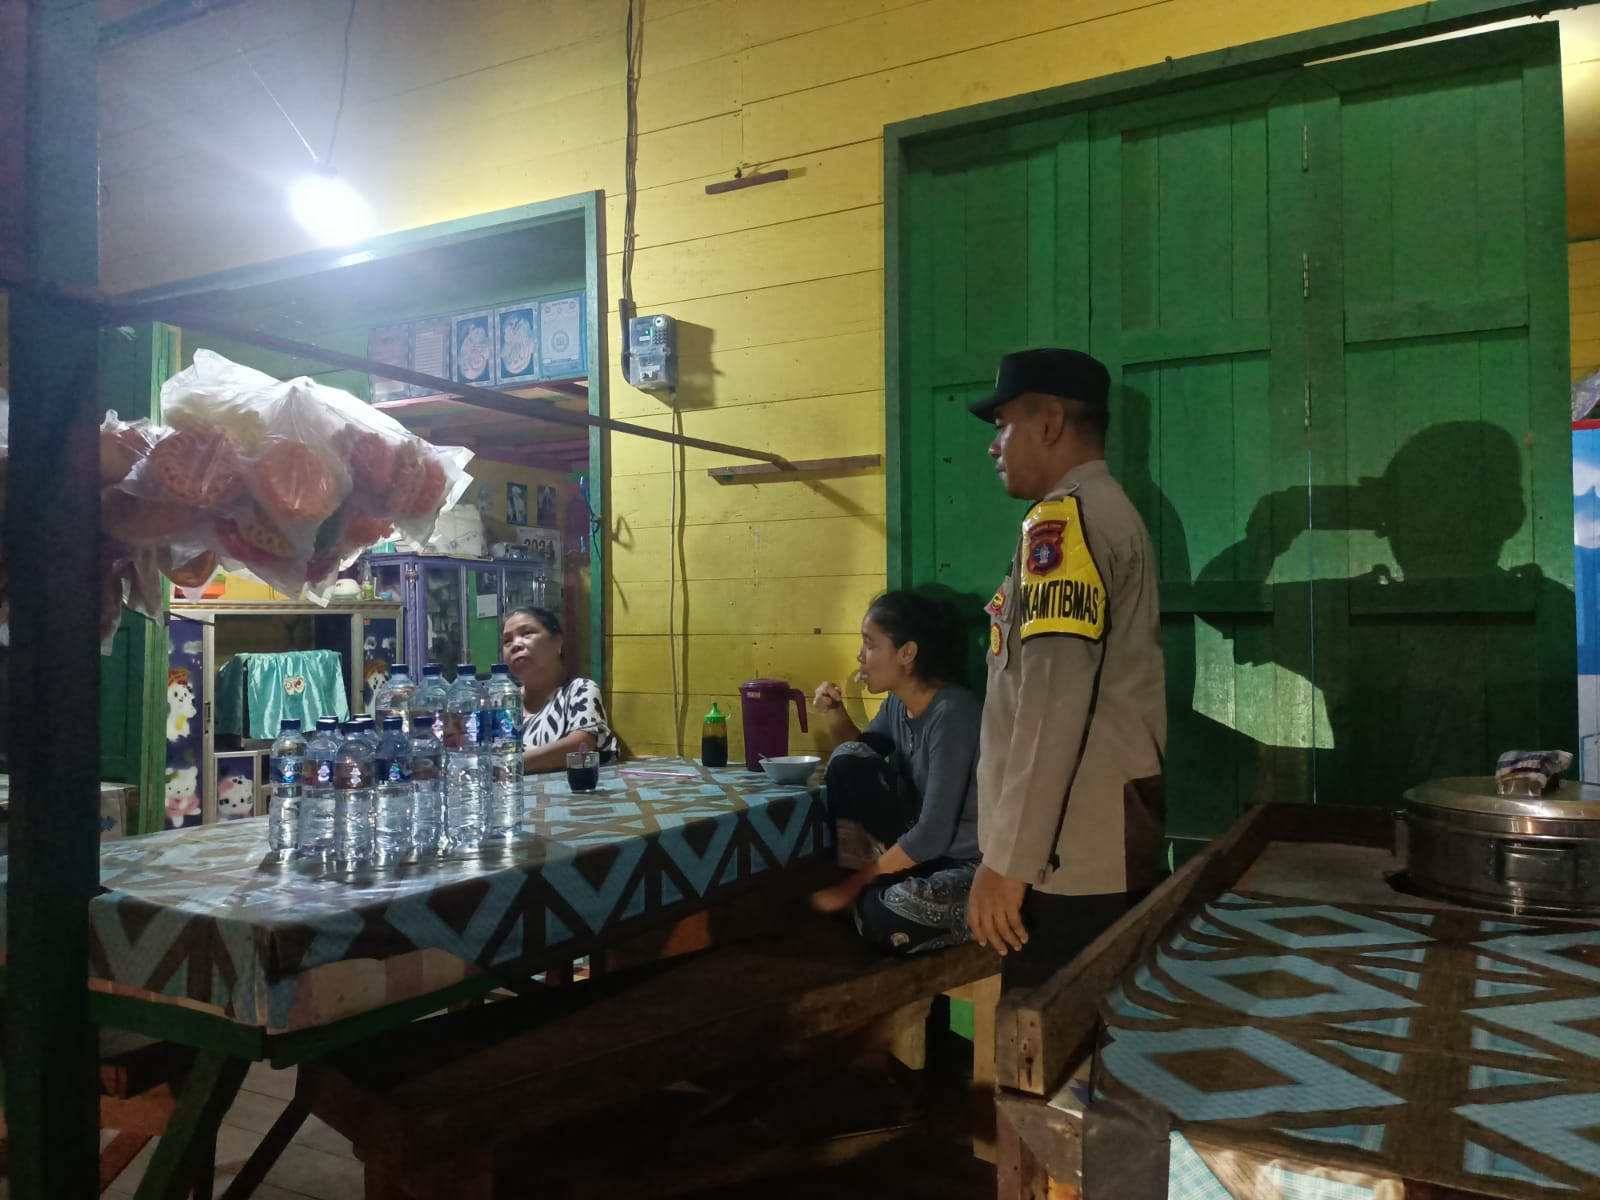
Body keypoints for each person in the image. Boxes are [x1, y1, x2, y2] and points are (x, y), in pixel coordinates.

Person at [968, 348, 1167, 992]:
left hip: (1066, 860)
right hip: (1095, 844)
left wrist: (1007, 862)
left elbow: (1052, 701)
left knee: (1051, 1038)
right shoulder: (1104, 511)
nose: (994, 446)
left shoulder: (1065, 522)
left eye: (1004, 425)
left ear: (1050, 421)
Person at [811, 590, 983, 956]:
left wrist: (853, 886)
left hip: (969, 864)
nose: (860, 656)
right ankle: (866, 898)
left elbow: (933, 833)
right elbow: (858, 758)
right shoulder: (897, 705)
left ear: (907, 653)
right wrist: (835, 711)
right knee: (847, 759)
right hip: (923, 859)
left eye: (870, 644)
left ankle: (865, 901)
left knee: (890, 913)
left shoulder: (953, 714)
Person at [501, 606, 617, 771]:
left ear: (557, 642)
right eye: (507, 641)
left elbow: (581, 745)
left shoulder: (579, 690)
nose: (515, 645)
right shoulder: (504, 704)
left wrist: (509, 765)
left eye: (526, 633)